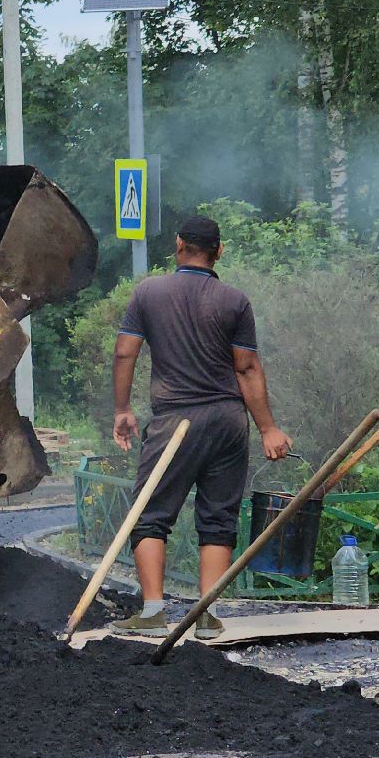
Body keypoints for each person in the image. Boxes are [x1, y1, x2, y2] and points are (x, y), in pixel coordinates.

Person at [108, 215, 291, 640]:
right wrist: (268, 429)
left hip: (175, 420)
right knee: (218, 517)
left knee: (150, 515)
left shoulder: (149, 293)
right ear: (219, 251)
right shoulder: (234, 301)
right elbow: (246, 368)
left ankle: (153, 612)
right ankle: (206, 615)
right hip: (228, 421)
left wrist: (122, 409)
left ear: (178, 245)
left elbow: (124, 354)